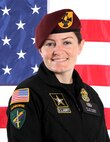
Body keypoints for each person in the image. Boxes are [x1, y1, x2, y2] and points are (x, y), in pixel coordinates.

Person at [6, 9, 110, 142]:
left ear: (80, 46)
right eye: (50, 44)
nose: (58, 51)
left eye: (67, 42)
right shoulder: (28, 94)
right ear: (40, 50)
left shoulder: (91, 96)